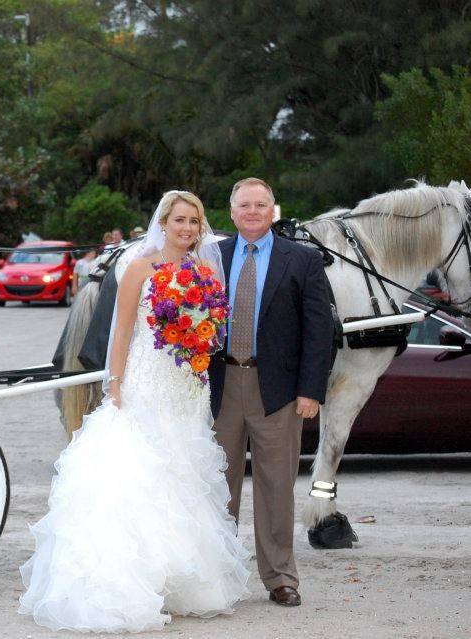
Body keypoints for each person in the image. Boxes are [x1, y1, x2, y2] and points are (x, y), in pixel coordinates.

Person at [20, 191, 250, 633]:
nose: (187, 228)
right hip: (144, 383)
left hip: (187, 386)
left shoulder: (203, 272)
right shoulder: (138, 269)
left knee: (181, 476)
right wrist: (116, 383)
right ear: (163, 223)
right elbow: (121, 332)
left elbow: (212, 330)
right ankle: (129, 584)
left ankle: (176, 581)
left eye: (194, 222)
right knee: (139, 475)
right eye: (180, 220)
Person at [208, 177, 332, 607]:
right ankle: (216, 576)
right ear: (232, 211)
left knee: (276, 487)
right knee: (216, 487)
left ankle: (280, 577)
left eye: (261, 205)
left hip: (277, 391)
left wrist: (310, 390)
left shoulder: (302, 260)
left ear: (273, 210)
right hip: (219, 388)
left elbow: (319, 331)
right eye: (245, 205)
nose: (253, 212)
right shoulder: (210, 257)